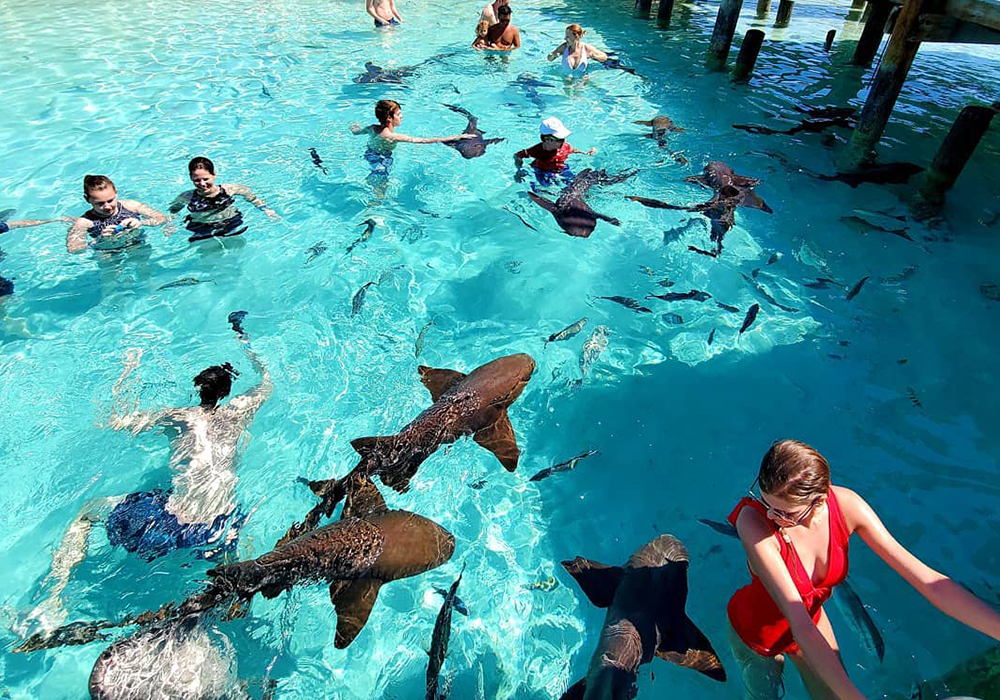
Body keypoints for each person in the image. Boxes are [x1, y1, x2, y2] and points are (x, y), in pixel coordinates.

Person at [24, 331, 272, 632]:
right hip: (220, 530)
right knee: (238, 539)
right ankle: (236, 602)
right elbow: (266, 382)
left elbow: (114, 420)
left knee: (88, 511)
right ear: (226, 394)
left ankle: (53, 597)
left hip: (172, 527)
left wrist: (128, 368)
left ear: (198, 390)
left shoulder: (180, 417)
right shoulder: (238, 413)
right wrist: (246, 344)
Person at [728, 439, 1000, 700]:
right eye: (766, 503)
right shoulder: (752, 522)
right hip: (757, 632)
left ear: (820, 500)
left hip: (812, 624)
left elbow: (928, 582)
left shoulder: (847, 506)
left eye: (786, 513)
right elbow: (798, 620)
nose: (773, 517)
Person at [350, 100, 473, 182]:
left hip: (369, 153)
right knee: (381, 183)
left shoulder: (372, 128)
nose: (402, 116)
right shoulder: (392, 136)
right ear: (389, 118)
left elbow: (357, 132)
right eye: (398, 114)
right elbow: (423, 141)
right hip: (382, 159)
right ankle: (375, 210)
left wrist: (354, 126)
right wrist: (455, 137)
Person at [167, 157, 279, 243]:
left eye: (206, 179)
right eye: (197, 180)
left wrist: (266, 209)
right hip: (201, 226)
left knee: (237, 248)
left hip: (230, 222)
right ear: (191, 177)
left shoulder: (230, 189)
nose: (202, 184)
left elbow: (251, 197)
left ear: (214, 174)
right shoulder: (186, 197)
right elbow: (173, 210)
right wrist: (170, 224)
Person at [66, 176, 169, 254]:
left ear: (116, 192)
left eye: (110, 200)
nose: (107, 206)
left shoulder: (131, 205)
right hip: (107, 253)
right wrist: (101, 240)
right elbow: (74, 250)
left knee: (144, 269)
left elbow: (162, 218)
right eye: (100, 203)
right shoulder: (85, 222)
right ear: (87, 199)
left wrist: (141, 223)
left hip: (136, 243)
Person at [514, 117, 596, 187]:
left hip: (562, 168)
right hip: (543, 172)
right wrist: (519, 170)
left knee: (575, 183)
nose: (563, 141)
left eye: (563, 138)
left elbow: (573, 150)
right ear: (547, 140)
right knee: (544, 186)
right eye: (560, 139)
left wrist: (586, 153)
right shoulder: (538, 150)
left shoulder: (565, 146)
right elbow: (517, 155)